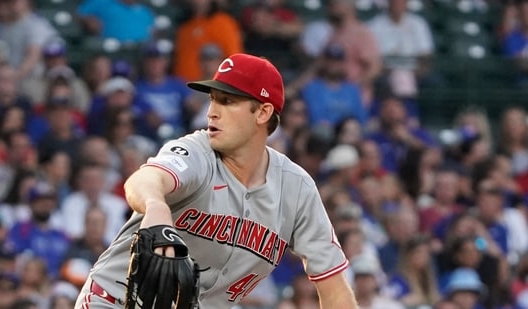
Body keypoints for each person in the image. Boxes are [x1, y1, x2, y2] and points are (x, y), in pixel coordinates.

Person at [74, 53, 358, 308]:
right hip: (114, 301)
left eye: (228, 101)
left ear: (263, 112)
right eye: (212, 98)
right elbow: (146, 179)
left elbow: (333, 285)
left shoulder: (297, 189)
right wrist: (156, 207)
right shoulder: (197, 151)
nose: (212, 111)